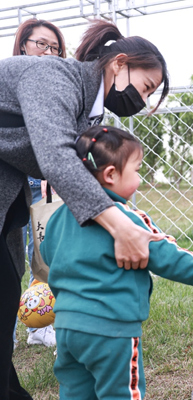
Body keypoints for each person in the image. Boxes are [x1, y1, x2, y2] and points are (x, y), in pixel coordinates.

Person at [0, 19, 169, 400]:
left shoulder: (90, 110)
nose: (141, 101)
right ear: (119, 63)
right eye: (145, 87)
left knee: (6, 297)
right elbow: (57, 158)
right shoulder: (53, 75)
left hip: (8, 195)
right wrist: (120, 228)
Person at [41, 125, 193, 399]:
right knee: (120, 391)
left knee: (75, 391)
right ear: (111, 174)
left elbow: (47, 254)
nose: (140, 178)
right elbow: (166, 255)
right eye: (137, 170)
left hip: (66, 327)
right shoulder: (127, 219)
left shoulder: (58, 218)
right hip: (112, 329)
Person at [12, 18, 67, 349]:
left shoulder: (58, 87)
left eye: (55, 48)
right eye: (41, 44)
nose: (48, 52)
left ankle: (40, 324)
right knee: (12, 254)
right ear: (23, 45)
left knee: (43, 252)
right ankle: (11, 329)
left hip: (44, 179)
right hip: (11, 181)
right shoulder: (10, 79)